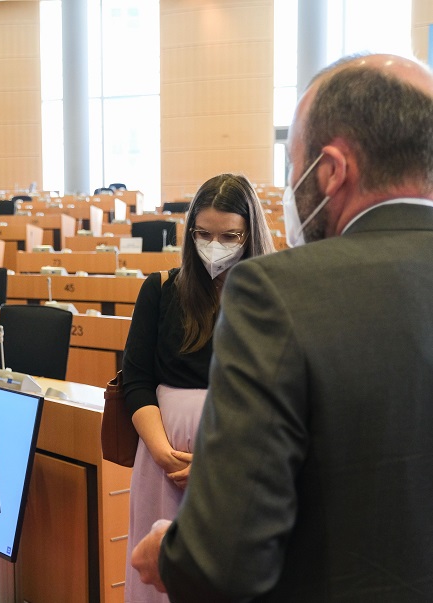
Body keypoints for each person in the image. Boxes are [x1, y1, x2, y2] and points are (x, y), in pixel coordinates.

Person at [131, 53, 433, 602]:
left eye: (294, 168)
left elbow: (225, 559)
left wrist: (170, 555)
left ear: (332, 170)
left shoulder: (280, 290)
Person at [121, 174, 274, 603]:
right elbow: (136, 379)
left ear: (250, 235)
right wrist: (161, 452)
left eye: (229, 236)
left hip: (238, 462)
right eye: (203, 234)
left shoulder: (271, 297)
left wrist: (218, 461)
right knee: (158, 578)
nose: (214, 245)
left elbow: (278, 394)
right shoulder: (161, 289)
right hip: (161, 461)